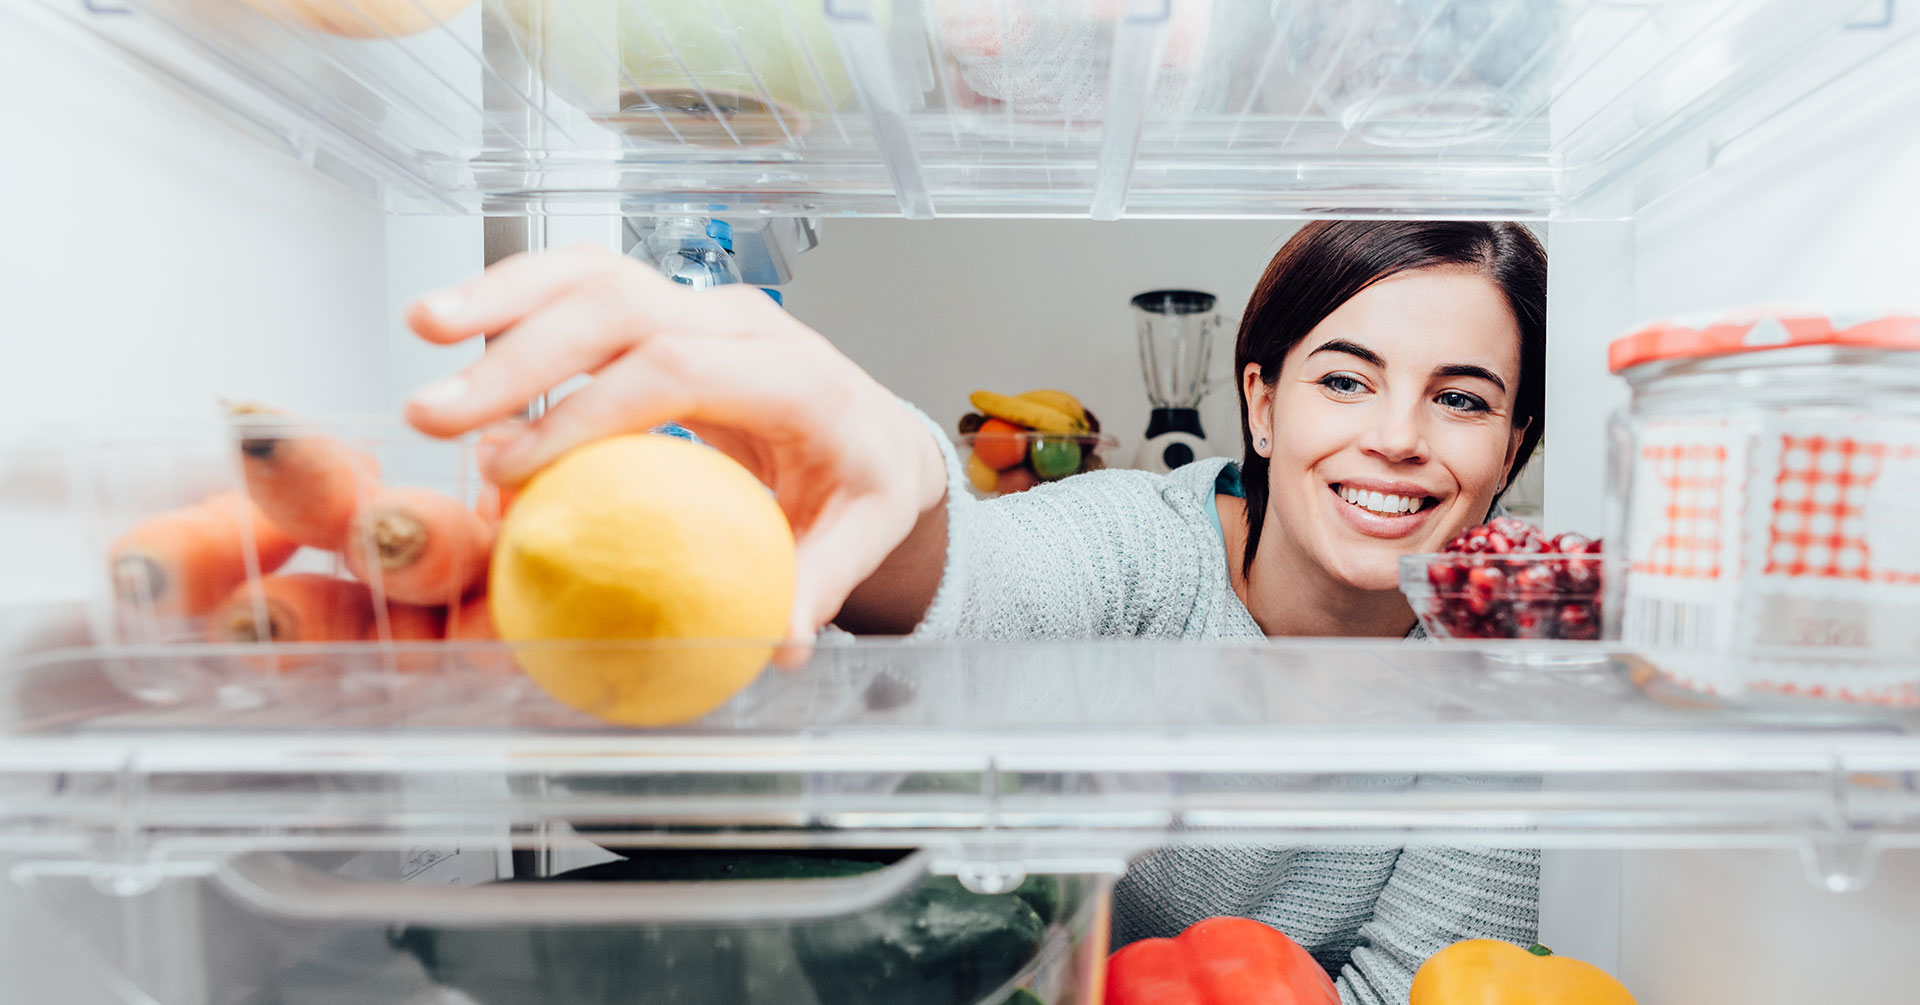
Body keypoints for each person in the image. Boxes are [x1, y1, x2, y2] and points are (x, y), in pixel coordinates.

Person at [404, 220, 1547, 1003]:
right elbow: (984, 583)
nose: (1397, 435)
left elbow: (1431, 986)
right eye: (1344, 379)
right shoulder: (1142, 543)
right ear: (1259, 402)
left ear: (1512, 452)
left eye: (1461, 399)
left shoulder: (1497, 685)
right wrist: (892, 480)